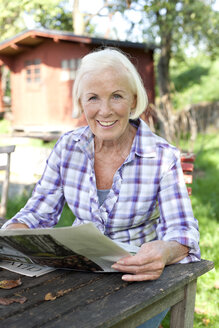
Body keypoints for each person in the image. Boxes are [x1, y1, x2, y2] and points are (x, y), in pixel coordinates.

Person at [2, 48, 200, 328]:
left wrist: (165, 252)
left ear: (133, 99)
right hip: (79, 273)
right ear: (81, 101)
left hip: (137, 280)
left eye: (116, 96)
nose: (104, 111)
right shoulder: (67, 147)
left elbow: (182, 230)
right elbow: (38, 212)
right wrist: (12, 236)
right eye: (93, 97)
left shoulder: (162, 156)